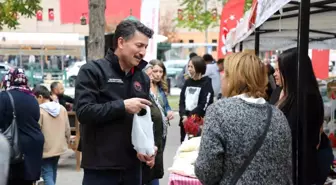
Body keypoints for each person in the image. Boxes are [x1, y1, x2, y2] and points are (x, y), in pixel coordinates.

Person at [75, 20, 156, 185]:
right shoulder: (92, 71)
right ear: (121, 42)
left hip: (133, 167)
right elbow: (84, 112)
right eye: (139, 45)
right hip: (100, 168)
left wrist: (147, 146)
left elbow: (143, 119)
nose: (143, 52)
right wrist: (123, 106)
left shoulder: (142, 78)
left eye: (145, 47)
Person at [195, 52, 292, 185]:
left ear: (234, 79)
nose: (222, 78)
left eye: (226, 73)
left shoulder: (218, 112)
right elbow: (285, 169)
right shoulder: (279, 115)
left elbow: (207, 172)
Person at [274, 48, 332, 185]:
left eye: (279, 70)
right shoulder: (284, 94)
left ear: (291, 72)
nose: (275, 74)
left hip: (301, 170)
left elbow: (296, 136)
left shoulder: (306, 99)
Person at [0, 68, 44, 185]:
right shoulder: (32, 98)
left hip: (15, 148)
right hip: (34, 146)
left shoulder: (4, 97)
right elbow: (36, 118)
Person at [33, 85, 70, 185]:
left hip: (45, 148)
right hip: (59, 146)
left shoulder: (39, 111)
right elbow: (67, 128)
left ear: (40, 97)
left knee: (46, 173)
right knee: (53, 171)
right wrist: (67, 141)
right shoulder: (61, 108)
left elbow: (37, 130)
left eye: (34, 98)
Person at [179, 56, 214, 143]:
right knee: (184, 145)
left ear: (199, 67)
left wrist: (190, 117)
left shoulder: (206, 83)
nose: (189, 69)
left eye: (192, 67)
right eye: (188, 66)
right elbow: (182, 100)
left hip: (197, 121)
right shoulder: (187, 82)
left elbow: (204, 104)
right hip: (185, 121)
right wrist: (183, 115)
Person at [142, 64, 164, 185]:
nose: (152, 77)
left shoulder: (152, 94)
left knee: (153, 177)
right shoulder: (142, 95)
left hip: (156, 145)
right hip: (146, 148)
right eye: (149, 74)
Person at [149, 59, 174, 149]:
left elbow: (166, 105)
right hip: (150, 130)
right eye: (155, 71)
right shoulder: (145, 87)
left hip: (162, 130)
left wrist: (169, 111)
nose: (158, 74)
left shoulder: (161, 88)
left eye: (161, 71)